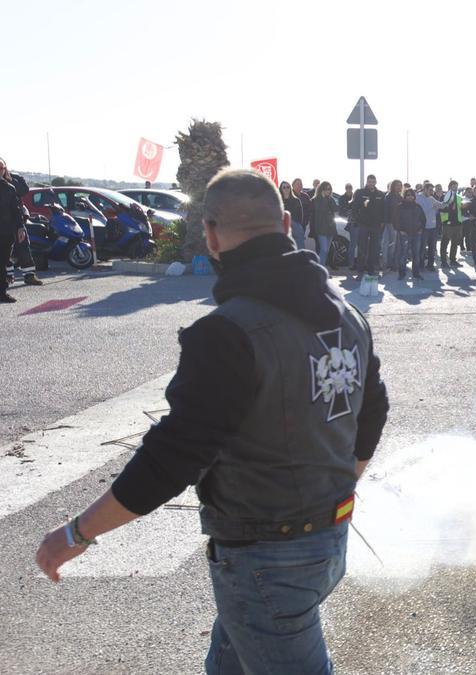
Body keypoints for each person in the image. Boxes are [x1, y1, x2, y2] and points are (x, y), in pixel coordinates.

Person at [35, 168, 389, 674]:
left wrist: (78, 532)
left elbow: (174, 454)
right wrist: (332, 490)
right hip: (326, 540)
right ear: (287, 224)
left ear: (211, 235)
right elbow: (371, 413)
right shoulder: (349, 316)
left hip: (267, 559)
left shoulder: (227, 332)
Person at [351, 175, 386, 277]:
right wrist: (357, 220)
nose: (371, 183)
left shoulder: (380, 194)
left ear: (375, 182)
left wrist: (382, 222)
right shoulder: (360, 192)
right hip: (363, 225)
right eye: (369, 181)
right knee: (362, 249)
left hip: (376, 226)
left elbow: (383, 210)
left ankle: (371, 270)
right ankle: (360, 272)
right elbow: (354, 208)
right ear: (367, 182)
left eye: (373, 181)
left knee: (374, 250)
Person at [0, 157, 23, 302]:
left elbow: (16, 210)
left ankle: (2, 293)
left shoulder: (9, 188)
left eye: (1, 168)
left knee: (2, 263)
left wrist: (21, 227)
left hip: (5, 232)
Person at [392, 187, 427, 280]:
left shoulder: (418, 207)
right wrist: (400, 230)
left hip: (417, 234)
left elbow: (423, 219)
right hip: (404, 235)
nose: (410, 197)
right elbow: (395, 221)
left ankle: (416, 273)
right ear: (404, 196)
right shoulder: (399, 207)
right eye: (408, 195)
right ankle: (402, 273)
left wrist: (421, 229)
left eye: (412, 195)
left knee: (416, 254)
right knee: (403, 254)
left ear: (414, 197)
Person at [416, 183, 443, 271]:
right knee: (422, 247)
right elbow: (422, 211)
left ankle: (430, 265)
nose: (432, 192)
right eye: (430, 190)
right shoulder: (418, 197)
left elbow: (441, 205)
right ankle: (421, 265)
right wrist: (433, 206)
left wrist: (447, 201)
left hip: (433, 227)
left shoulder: (431, 198)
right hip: (424, 227)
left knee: (432, 247)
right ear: (425, 189)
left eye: (432, 190)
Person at [439, 180, 466, 269]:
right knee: (445, 243)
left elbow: (461, 209)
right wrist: (449, 207)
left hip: (457, 223)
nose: (455, 188)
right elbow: (440, 209)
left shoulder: (459, 197)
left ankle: (453, 260)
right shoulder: (444, 196)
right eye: (453, 186)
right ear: (449, 187)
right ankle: (443, 262)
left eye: (456, 186)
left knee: (455, 243)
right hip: (447, 223)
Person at [311, 181, 338, 266]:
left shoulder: (331, 199)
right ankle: (319, 269)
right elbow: (320, 210)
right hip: (321, 228)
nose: (328, 191)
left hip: (330, 228)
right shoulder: (315, 200)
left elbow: (336, 209)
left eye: (329, 189)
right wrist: (322, 198)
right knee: (324, 250)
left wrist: (329, 199)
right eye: (326, 189)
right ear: (321, 189)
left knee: (326, 251)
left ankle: (323, 269)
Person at [382, 180, 404, 270]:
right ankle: (387, 264)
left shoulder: (400, 197)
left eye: (400, 185)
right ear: (393, 186)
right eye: (397, 185)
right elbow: (385, 211)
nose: (398, 187)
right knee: (389, 244)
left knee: (394, 245)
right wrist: (385, 223)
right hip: (389, 224)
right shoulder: (389, 196)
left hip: (397, 224)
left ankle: (391, 263)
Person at [279, 181, 305, 250]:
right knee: (286, 249)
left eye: (288, 187)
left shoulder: (296, 200)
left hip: (296, 226)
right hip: (283, 227)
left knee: (300, 248)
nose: (286, 189)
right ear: (281, 189)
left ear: (290, 188)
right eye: (284, 187)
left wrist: (299, 226)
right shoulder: (278, 201)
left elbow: (301, 215)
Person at [291, 178, 313, 250]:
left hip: (303, 225)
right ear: (293, 185)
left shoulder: (305, 196)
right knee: (297, 246)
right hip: (292, 226)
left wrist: (307, 221)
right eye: (297, 184)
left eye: (301, 184)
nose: (299, 186)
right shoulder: (289, 196)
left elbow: (310, 209)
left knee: (298, 244)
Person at [339, 183, 356, 267]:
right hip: (350, 224)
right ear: (346, 189)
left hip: (359, 225)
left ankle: (356, 263)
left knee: (356, 245)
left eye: (350, 188)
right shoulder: (343, 199)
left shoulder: (356, 200)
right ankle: (351, 263)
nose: (349, 189)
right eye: (348, 188)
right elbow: (342, 211)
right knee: (352, 245)